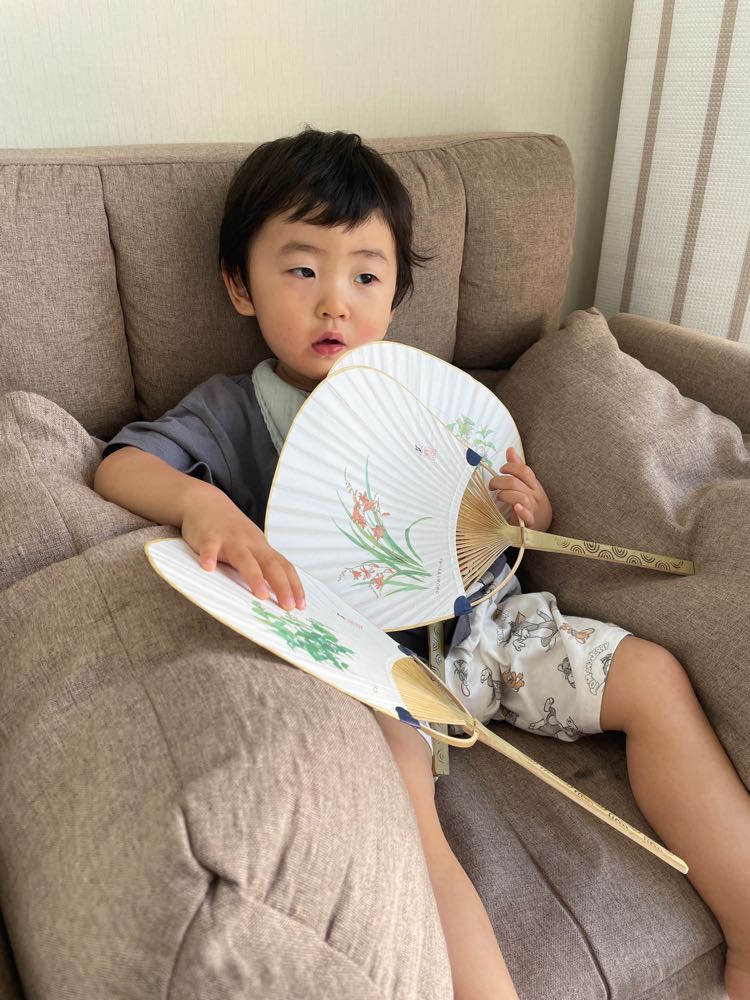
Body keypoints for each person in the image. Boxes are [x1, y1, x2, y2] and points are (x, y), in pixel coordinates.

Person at [94, 128, 750, 1000]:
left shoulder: (428, 397)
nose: (335, 303)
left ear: (396, 296)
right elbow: (119, 465)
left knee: (654, 676)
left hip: (492, 629)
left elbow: (502, 518)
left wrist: (528, 512)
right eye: (303, 271)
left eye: (365, 278)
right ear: (240, 286)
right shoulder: (231, 411)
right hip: (375, 668)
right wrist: (200, 503)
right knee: (406, 800)